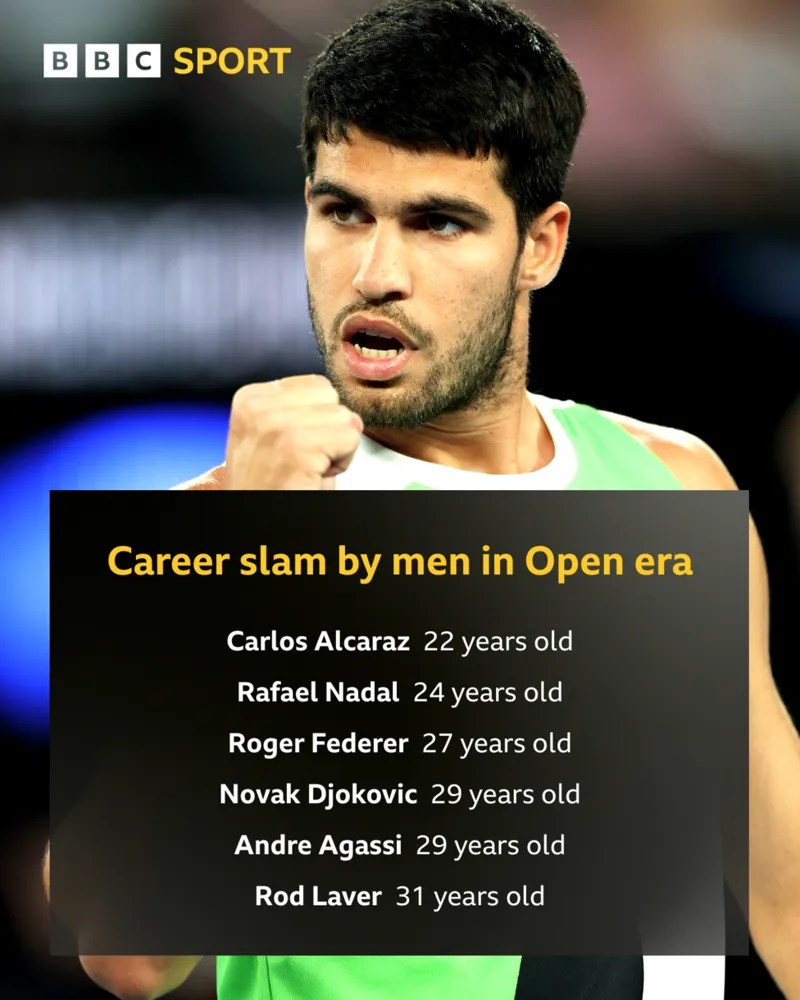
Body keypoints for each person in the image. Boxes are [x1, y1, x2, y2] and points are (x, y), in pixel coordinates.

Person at [44, 0, 800, 997]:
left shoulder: (669, 485)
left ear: (540, 244)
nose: (374, 273)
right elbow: (127, 956)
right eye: (341, 210)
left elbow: (781, 890)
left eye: (437, 220)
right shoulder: (212, 525)